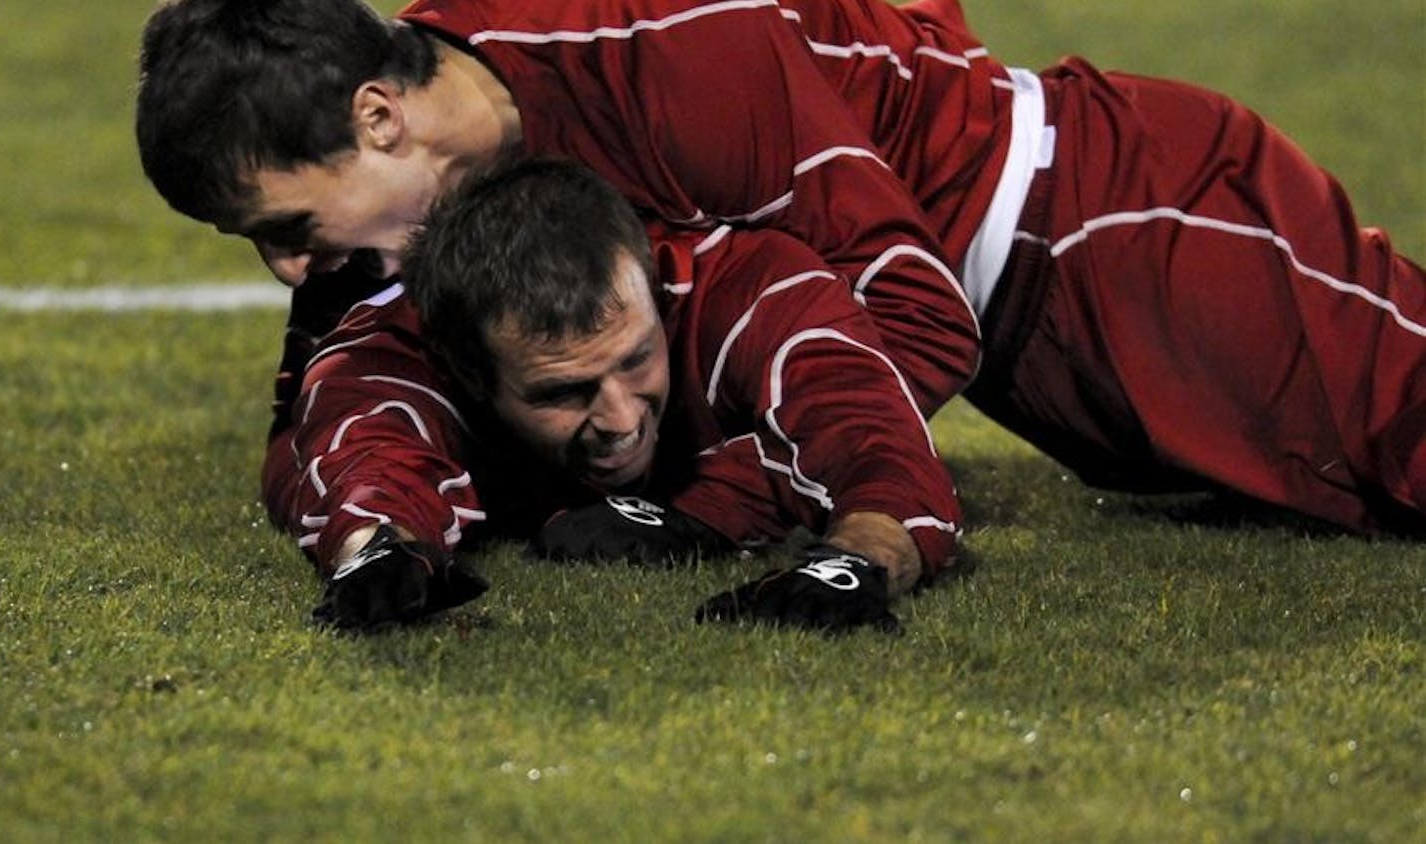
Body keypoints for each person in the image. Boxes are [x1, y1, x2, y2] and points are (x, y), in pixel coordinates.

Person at [134, 0, 1423, 575]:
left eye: (289, 227)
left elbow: (920, 314)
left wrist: (708, 504)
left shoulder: (667, 46)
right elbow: (312, 414)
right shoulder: (409, 197)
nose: (294, 270)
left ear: (378, 117)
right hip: (1045, 359)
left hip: (1124, 222)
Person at [301, 158, 965, 632]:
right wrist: (379, 549)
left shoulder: (758, 291)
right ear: (468, 375)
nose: (619, 419)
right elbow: (371, 459)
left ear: (657, 293)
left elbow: (875, 442)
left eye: (638, 359)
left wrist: (856, 564)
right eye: (563, 391)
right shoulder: (387, 354)